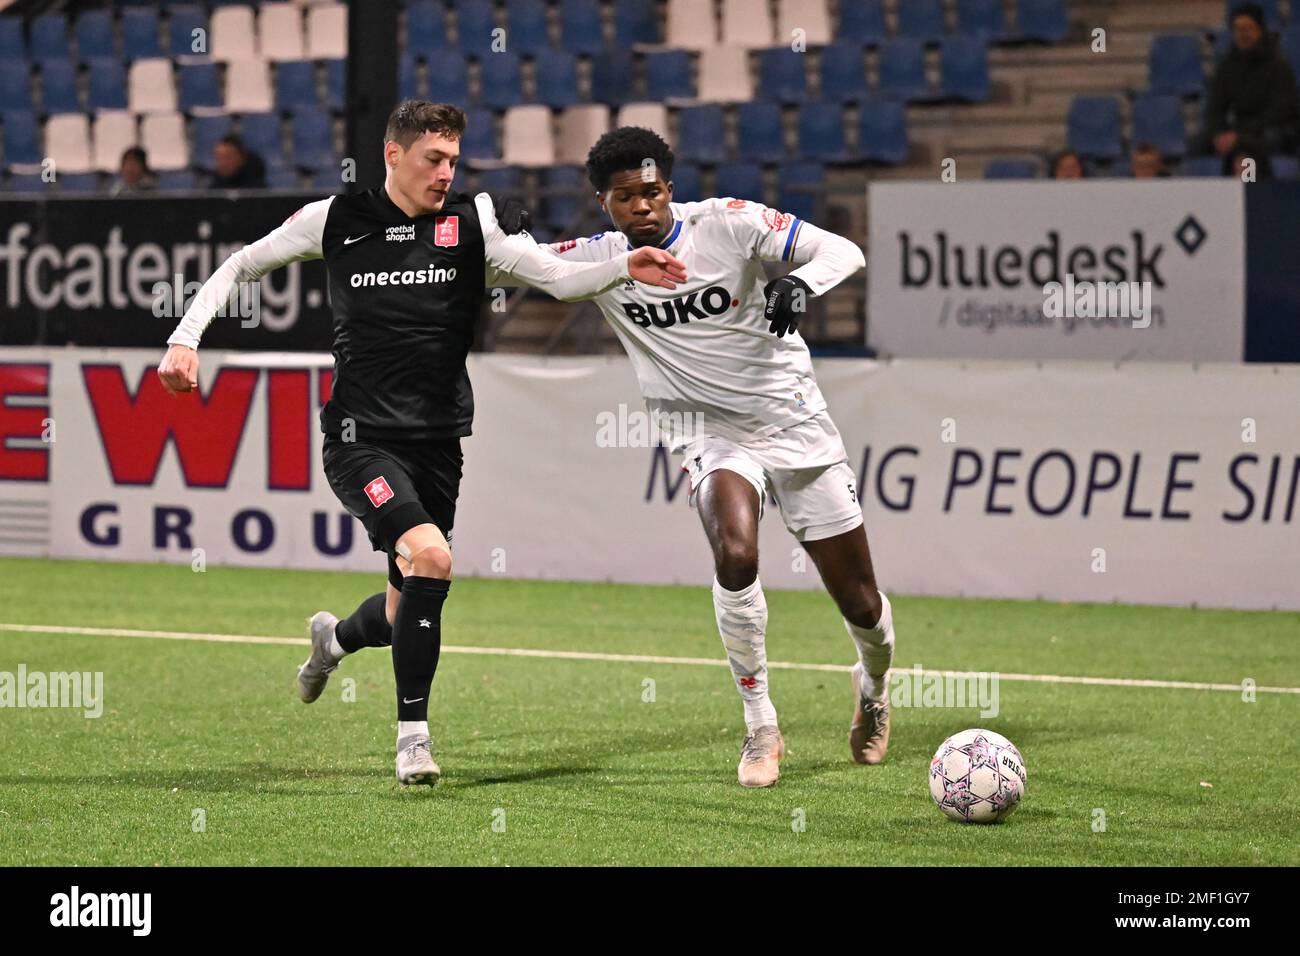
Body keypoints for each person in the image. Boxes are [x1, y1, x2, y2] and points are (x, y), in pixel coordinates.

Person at [156, 101, 687, 786]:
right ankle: (413, 740)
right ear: (393, 156)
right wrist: (183, 338)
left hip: (438, 443)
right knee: (432, 557)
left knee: (407, 600)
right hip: (359, 439)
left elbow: (555, 278)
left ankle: (334, 639)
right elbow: (239, 266)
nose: (446, 172)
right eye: (434, 159)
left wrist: (623, 266)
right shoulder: (335, 220)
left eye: (454, 160)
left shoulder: (469, 223)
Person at [539, 126, 894, 788]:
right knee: (736, 552)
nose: (641, 206)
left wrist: (801, 285)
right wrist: (498, 234)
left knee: (862, 603)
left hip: (795, 425)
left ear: (669, 190)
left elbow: (842, 250)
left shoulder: (729, 224)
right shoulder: (601, 259)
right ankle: (760, 723)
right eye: (625, 197)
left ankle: (872, 687)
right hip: (708, 434)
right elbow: (523, 267)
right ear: (604, 203)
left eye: (651, 192)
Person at [1203, 1, 1300, 158]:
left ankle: (1253, 181)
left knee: (1255, 143)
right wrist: (1218, 133)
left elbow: (1281, 111)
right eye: (1237, 29)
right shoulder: (1227, 67)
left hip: (1274, 129)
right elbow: (1215, 108)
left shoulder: (1278, 65)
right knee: (1199, 144)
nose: (1242, 34)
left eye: (1247, 29)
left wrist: (1239, 134)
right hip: (1241, 129)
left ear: (1260, 30)